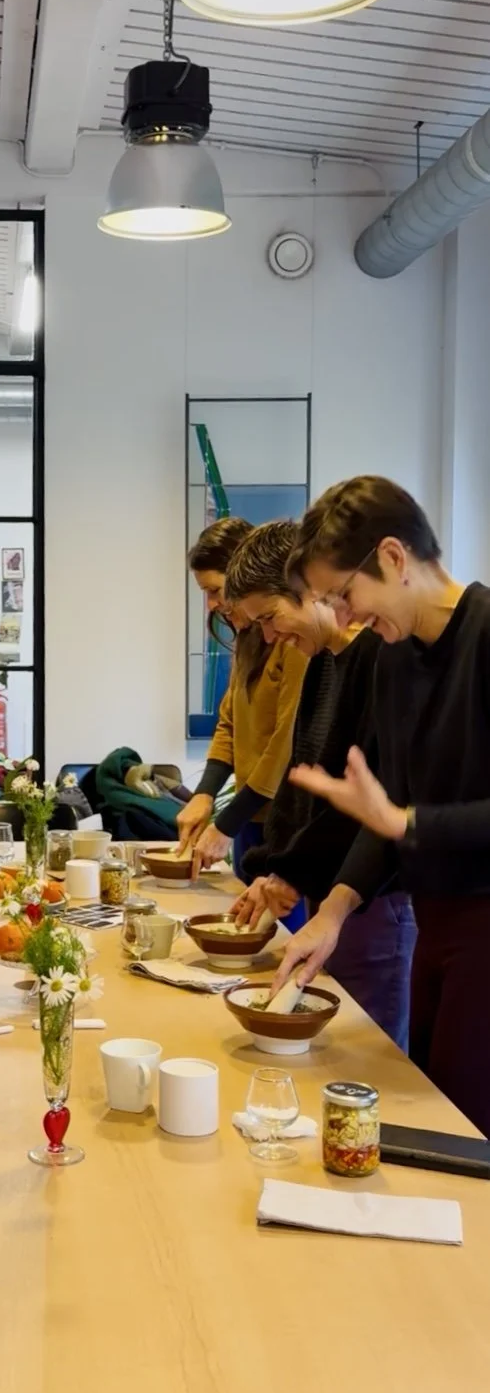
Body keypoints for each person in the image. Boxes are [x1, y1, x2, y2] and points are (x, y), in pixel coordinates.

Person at [271, 476, 490, 1134]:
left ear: (393, 557)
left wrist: (405, 822)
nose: (343, 618)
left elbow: (397, 817)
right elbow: (384, 809)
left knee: (465, 1130)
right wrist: (332, 913)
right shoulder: (394, 659)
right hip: (435, 926)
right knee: (431, 1115)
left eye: (344, 594)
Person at [222, 520, 415, 1048]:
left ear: (307, 587)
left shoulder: (380, 658)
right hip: (331, 896)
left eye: (269, 617)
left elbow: (365, 803)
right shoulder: (324, 662)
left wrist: (294, 870)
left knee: (367, 1064)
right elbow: (303, 782)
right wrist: (279, 867)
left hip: (371, 898)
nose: (268, 637)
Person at [178, 519, 308, 901]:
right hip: (251, 815)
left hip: (284, 820)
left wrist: (226, 823)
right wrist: (204, 794)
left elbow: (284, 744)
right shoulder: (250, 638)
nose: (212, 605)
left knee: (276, 928)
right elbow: (229, 721)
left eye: (215, 591)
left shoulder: (292, 641)